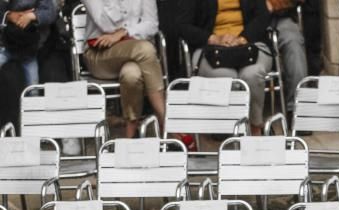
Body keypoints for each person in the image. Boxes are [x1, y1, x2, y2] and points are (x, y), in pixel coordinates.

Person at [176, 0, 274, 134]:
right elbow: (183, 26)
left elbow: (263, 16)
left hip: (251, 43)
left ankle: (255, 127)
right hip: (210, 47)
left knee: (252, 74)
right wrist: (213, 38)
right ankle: (232, 129)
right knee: (227, 78)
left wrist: (242, 39)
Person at [81, 0, 165, 138]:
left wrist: (124, 32)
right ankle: (166, 122)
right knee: (146, 49)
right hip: (100, 53)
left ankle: (130, 135)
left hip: (134, 51)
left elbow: (152, 25)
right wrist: (134, 29)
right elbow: (104, 22)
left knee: (131, 73)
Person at [0, 0, 56, 85]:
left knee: (33, 85)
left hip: (29, 47)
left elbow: (51, 13)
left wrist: (32, 16)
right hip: (5, 43)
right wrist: (8, 15)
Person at [267, 0, 306, 114]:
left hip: (279, 17)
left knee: (294, 43)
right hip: (239, 21)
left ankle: (297, 109)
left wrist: (274, 4)